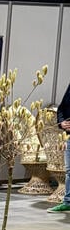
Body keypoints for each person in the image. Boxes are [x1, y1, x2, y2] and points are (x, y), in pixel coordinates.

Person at [47, 83, 70, 213]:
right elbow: (61, 109)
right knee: (69, 171)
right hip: (69, 137)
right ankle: (68, 202)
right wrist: (62, 123)